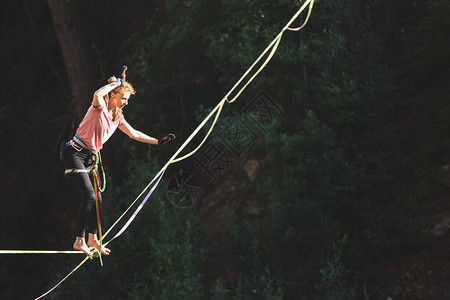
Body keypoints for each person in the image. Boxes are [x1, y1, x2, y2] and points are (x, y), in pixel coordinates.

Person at [63, 75, 175, 259]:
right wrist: (116, 83)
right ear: (113, 95)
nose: (126, 103)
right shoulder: (98, 108)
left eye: (127, 99)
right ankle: (79, 240)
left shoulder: (117, 116)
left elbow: (134, 134)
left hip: (90, 158)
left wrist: (157, 141)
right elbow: (97, 94)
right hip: (74, 154)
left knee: (97, 198)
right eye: (123, 98)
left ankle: (92, 239)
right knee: (89, 195)